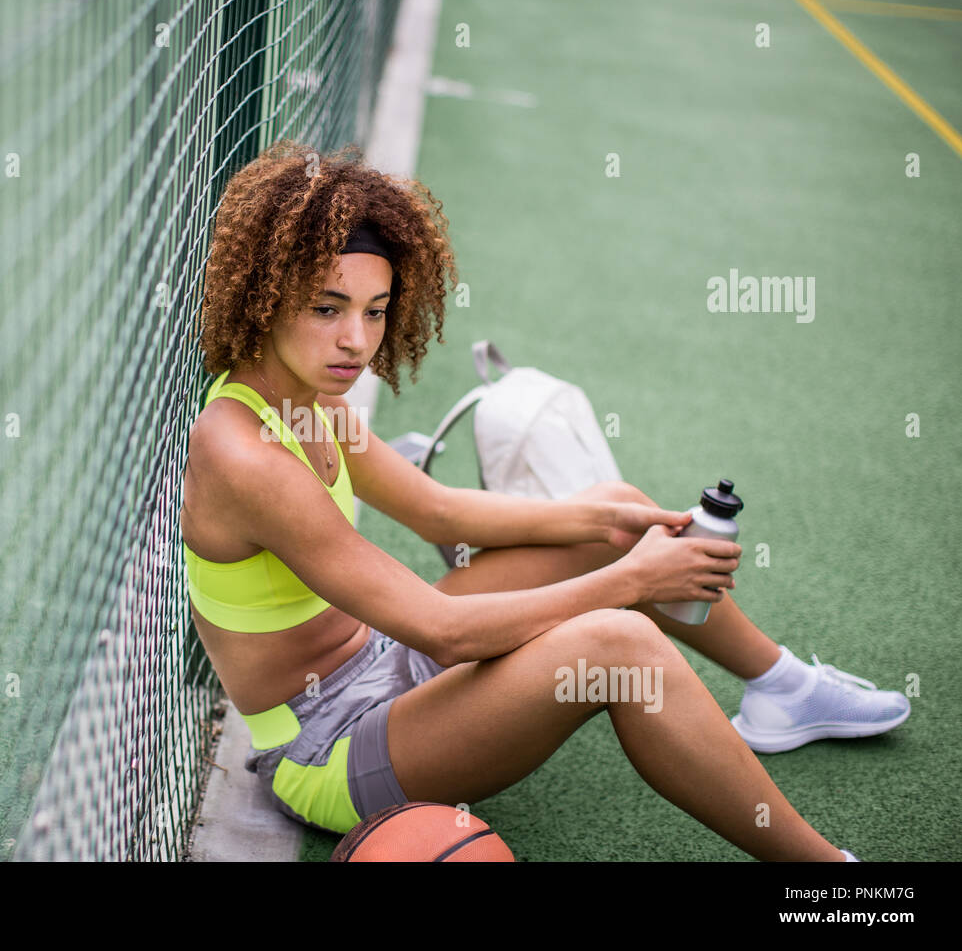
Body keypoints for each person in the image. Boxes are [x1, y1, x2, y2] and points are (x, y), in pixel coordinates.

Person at [179, 139, 909, 861]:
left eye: (375, 311)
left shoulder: (308, 398)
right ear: (264, 294)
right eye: (327, 308)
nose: (356, 341)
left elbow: (438, 512)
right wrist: (631, 583)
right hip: (328, 748)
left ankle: (783, 689)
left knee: (611, 513)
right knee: (620, 642)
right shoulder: (245, 454)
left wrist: (602, 518)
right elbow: (445, 632)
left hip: (385, 663)